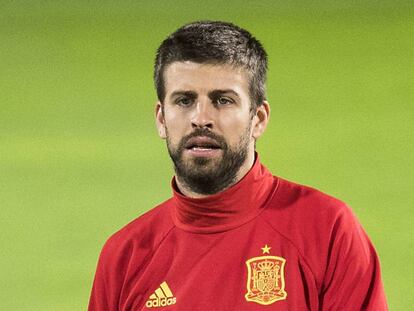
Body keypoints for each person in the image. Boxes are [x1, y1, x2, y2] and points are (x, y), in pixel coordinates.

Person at [88, 21, 388, 310]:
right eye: (184, 100)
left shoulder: (326, 230)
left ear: (258, 119)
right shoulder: (125, 255)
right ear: (161, 119)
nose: (201, 118)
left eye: (223, 100)